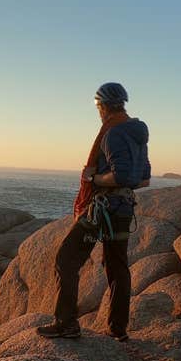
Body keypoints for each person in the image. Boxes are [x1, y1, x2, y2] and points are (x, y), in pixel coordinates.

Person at [37, 82, 151, 341]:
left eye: (98, 106)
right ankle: (118, 329)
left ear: (102, 106)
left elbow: (120, 175)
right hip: (123, 210)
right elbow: (143, 179)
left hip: (102, 210)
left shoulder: (112, 133)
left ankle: (66, 323)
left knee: (66, 259)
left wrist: (94, 179)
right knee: (117, 267)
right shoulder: (137, 135)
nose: (98, 111)